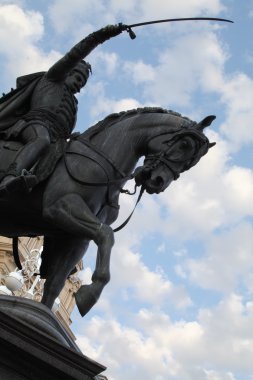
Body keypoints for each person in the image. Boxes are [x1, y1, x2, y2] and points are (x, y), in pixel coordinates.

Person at [0, 24, 125, 194]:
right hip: (35, 125)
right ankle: (10, 177)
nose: (80, 86)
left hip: (58, 139)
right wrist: (101, 35)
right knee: (40, 140)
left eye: (83, 83)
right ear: (68, 72)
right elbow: (74, 55)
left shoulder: (73, 103)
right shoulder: (52, 79)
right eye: (78, 78)